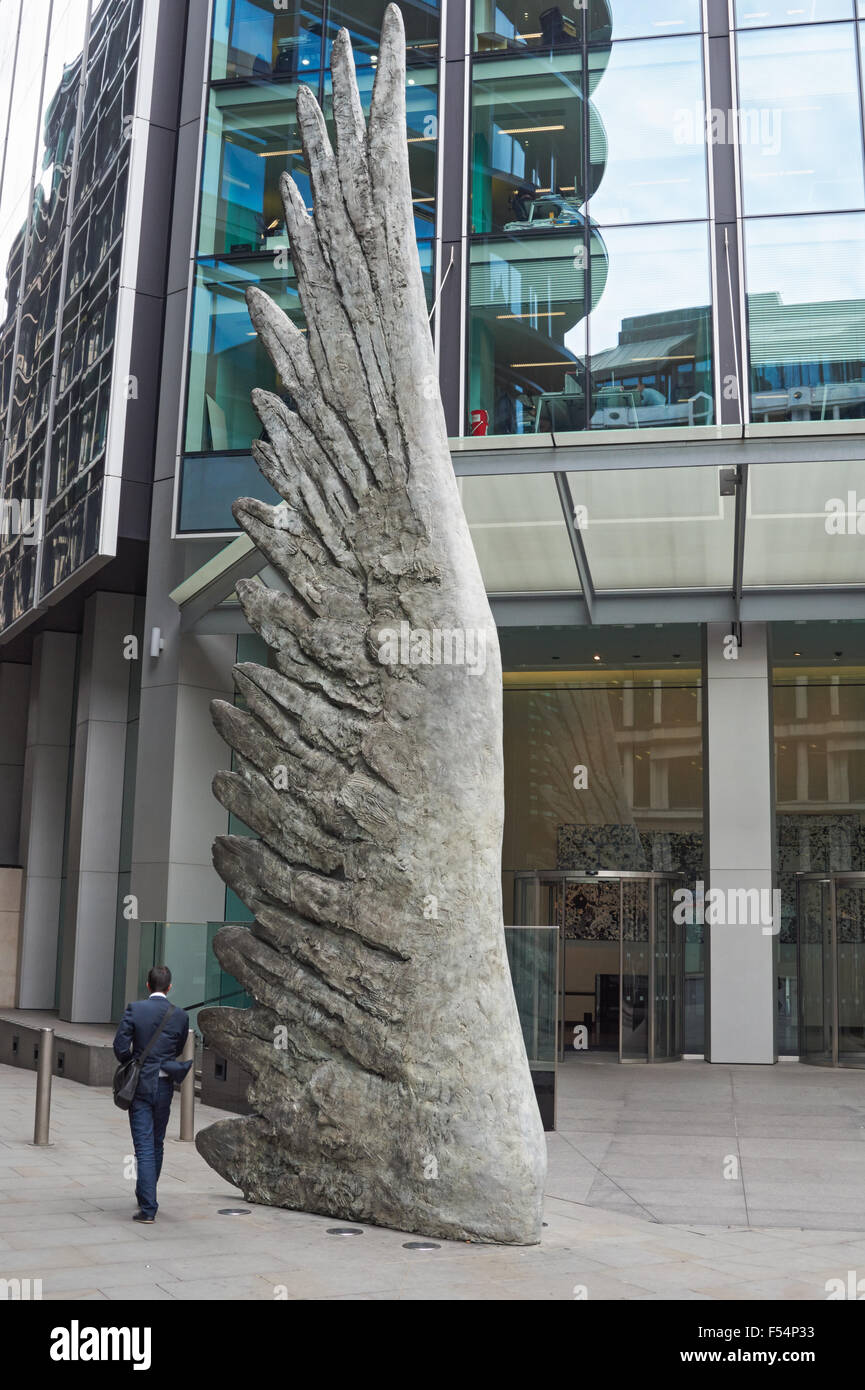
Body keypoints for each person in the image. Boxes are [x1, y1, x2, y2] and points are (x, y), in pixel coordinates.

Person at [113, 966, 192, 1223]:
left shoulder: (135, 1009)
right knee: (156, 1142)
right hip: (165, 1085)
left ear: (148, 986)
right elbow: (179, 1048)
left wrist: (133, 1062)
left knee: (144, 1146)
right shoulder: (179, 1015)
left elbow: (120, 1047)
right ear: (169, 987)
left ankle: (148, 1207)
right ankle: (145, 1193)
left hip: (140, 1087)